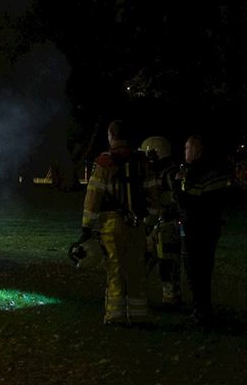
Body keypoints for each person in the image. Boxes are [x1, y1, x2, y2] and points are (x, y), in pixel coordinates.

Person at [77, 120, 160, 324]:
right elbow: (154, 194)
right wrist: (149, 221)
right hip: (138, 223)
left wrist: (86, 228)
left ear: (111, 136)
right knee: (136, 270)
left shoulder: (104, 164)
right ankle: (139, 315)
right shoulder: (142, 162)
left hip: (112, 224)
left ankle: (115, 315)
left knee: (115, 268)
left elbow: (93, 198)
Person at [175, 134, 232, 325]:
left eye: (187, 148)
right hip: (211, 226)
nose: (185, 152)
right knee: (205, 268)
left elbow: (187, 201)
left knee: (195, 268)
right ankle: (203, 307)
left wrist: (177, 184)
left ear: (197, 150)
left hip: (196, 227)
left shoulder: (195, 172)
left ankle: (201, 310)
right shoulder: (216, 170)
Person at [140, 136, 181, 306]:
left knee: (167, 264)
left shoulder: (171, 174)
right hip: (153, 224)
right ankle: (137, 294)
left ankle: (171, 297)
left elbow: (178, 198)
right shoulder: (154, 173)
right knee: (144, 260)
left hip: (167, 225)